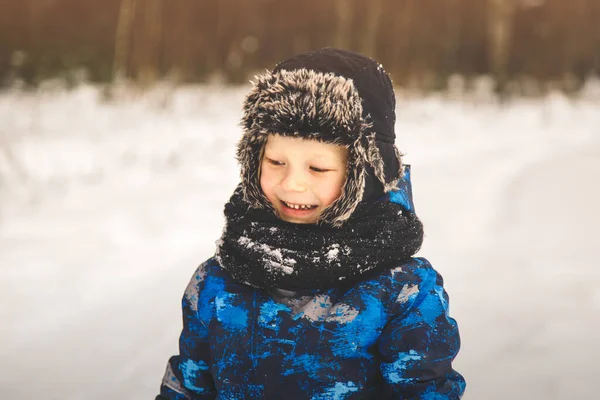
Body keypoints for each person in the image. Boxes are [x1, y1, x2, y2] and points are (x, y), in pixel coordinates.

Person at [157, 48, 466, 399]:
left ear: (365, 176)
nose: (293, 184)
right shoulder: (217, 282)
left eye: (317, 168)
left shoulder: (400, 292)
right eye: (275, 162)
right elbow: (187, 388)